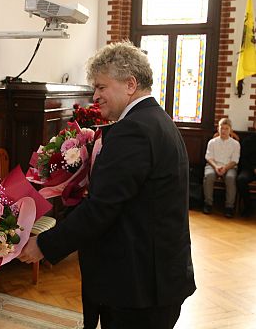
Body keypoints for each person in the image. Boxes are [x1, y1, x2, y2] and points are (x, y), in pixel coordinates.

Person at [19, 41, 196, 329]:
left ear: (130, 84)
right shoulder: (155, 120)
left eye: (101, 87)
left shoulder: (134, 129)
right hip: (155, 275)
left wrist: (45, 245)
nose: (95, 96)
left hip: (139, 284)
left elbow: (103, 208)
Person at [202, 118, 240, 217]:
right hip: (213, 165)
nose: (223, 131)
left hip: (229, 166)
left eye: (226, 129)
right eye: (221, 128)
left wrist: (225, 168)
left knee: (230, 178)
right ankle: (208, 204)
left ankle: (229, 207)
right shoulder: (212, 142)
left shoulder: (235, 144)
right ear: (218, 129)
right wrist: (216, 167)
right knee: (209, 176)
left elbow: (235, 160)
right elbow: (208, 157)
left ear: (230, 130)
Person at [237, 133, 256, 216]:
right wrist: (253, 168)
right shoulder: (248, 140)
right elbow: (243, 159)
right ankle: (248, 206)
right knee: (241, 179)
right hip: (250, 169)